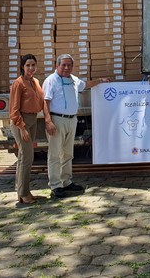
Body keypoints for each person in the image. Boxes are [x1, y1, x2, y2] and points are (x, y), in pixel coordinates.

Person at [43, 54, 110, 198]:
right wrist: (48, 121)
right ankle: (55, 185)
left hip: (71, 120)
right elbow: (45, 101)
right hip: (57, 119)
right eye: (63, 65)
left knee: (68, 153)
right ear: (57, 66)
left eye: (69, 65)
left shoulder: (74, 80)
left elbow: (86, 84)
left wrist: (101, 81)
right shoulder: (51, 80)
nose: (66, 68)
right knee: (55, 154)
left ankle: (66, 181)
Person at [9, 54, 46, 205]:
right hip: (21, 122)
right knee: (27, 158)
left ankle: (23, 191)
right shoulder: (18, 83)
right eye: (28, 65)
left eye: (33, 65)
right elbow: (14, 109)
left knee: (26, 157)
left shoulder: (35, 81)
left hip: (33, 120)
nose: (31, 68)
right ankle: (23, 194)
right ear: (22, 67)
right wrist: (22, 127)